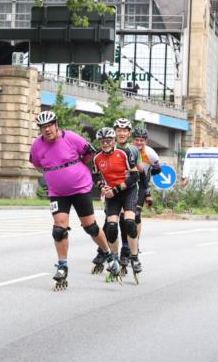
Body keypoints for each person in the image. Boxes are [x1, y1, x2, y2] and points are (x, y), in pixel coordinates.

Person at [29, 110, 114, 291]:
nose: (47, 130)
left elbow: (89, 154)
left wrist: (76, 169)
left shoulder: (72, 138)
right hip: (57, 192)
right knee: (58, 230)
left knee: (90, 227)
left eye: (49, 126)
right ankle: (62, 265)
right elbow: (37, 164)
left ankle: (107, 254)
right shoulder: (37, 145)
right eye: (43, 127)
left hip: (80, 188)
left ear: (56, 124)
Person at [93, 122, 141, 282]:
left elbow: (135, 176)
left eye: (109, 140)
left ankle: (134, 257)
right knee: (111, 227)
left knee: (129, 222)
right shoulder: (97, 158)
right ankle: (113, 259)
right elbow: (96, 176)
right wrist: (102, 187)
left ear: (113, 141)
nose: (106, 144)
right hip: (111, 194)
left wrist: (115, 190)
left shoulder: (125, 153)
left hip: (127, 191)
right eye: (102, 141)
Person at [130, 126, 161, 247]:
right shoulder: (128, 150)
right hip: (129, 184)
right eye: (136, 140)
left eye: (141, 140)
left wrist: (147, 177)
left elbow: (158, 170)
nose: (139, 142)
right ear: (133, 140)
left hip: (142, 185)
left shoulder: (151, 154)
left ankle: (135, 243)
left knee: (136, 215)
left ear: (146, 141)